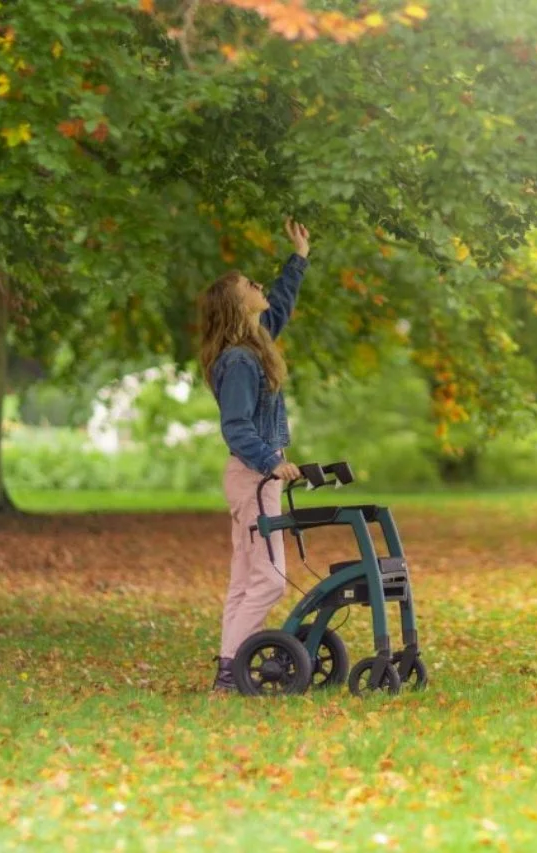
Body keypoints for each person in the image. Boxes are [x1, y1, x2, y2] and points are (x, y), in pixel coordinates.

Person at [197, 218, 311, 692]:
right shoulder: (240, 361)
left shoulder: (252, 344)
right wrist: (271, 462)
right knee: (268, 581)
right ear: (235, 303)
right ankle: (232, 671)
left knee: (246, 579)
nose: (259, 286)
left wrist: (299, 258)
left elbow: (280, 304)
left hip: (252, 476)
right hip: (253, 475)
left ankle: (228, 672)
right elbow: (237, 426)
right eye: (250, 284)